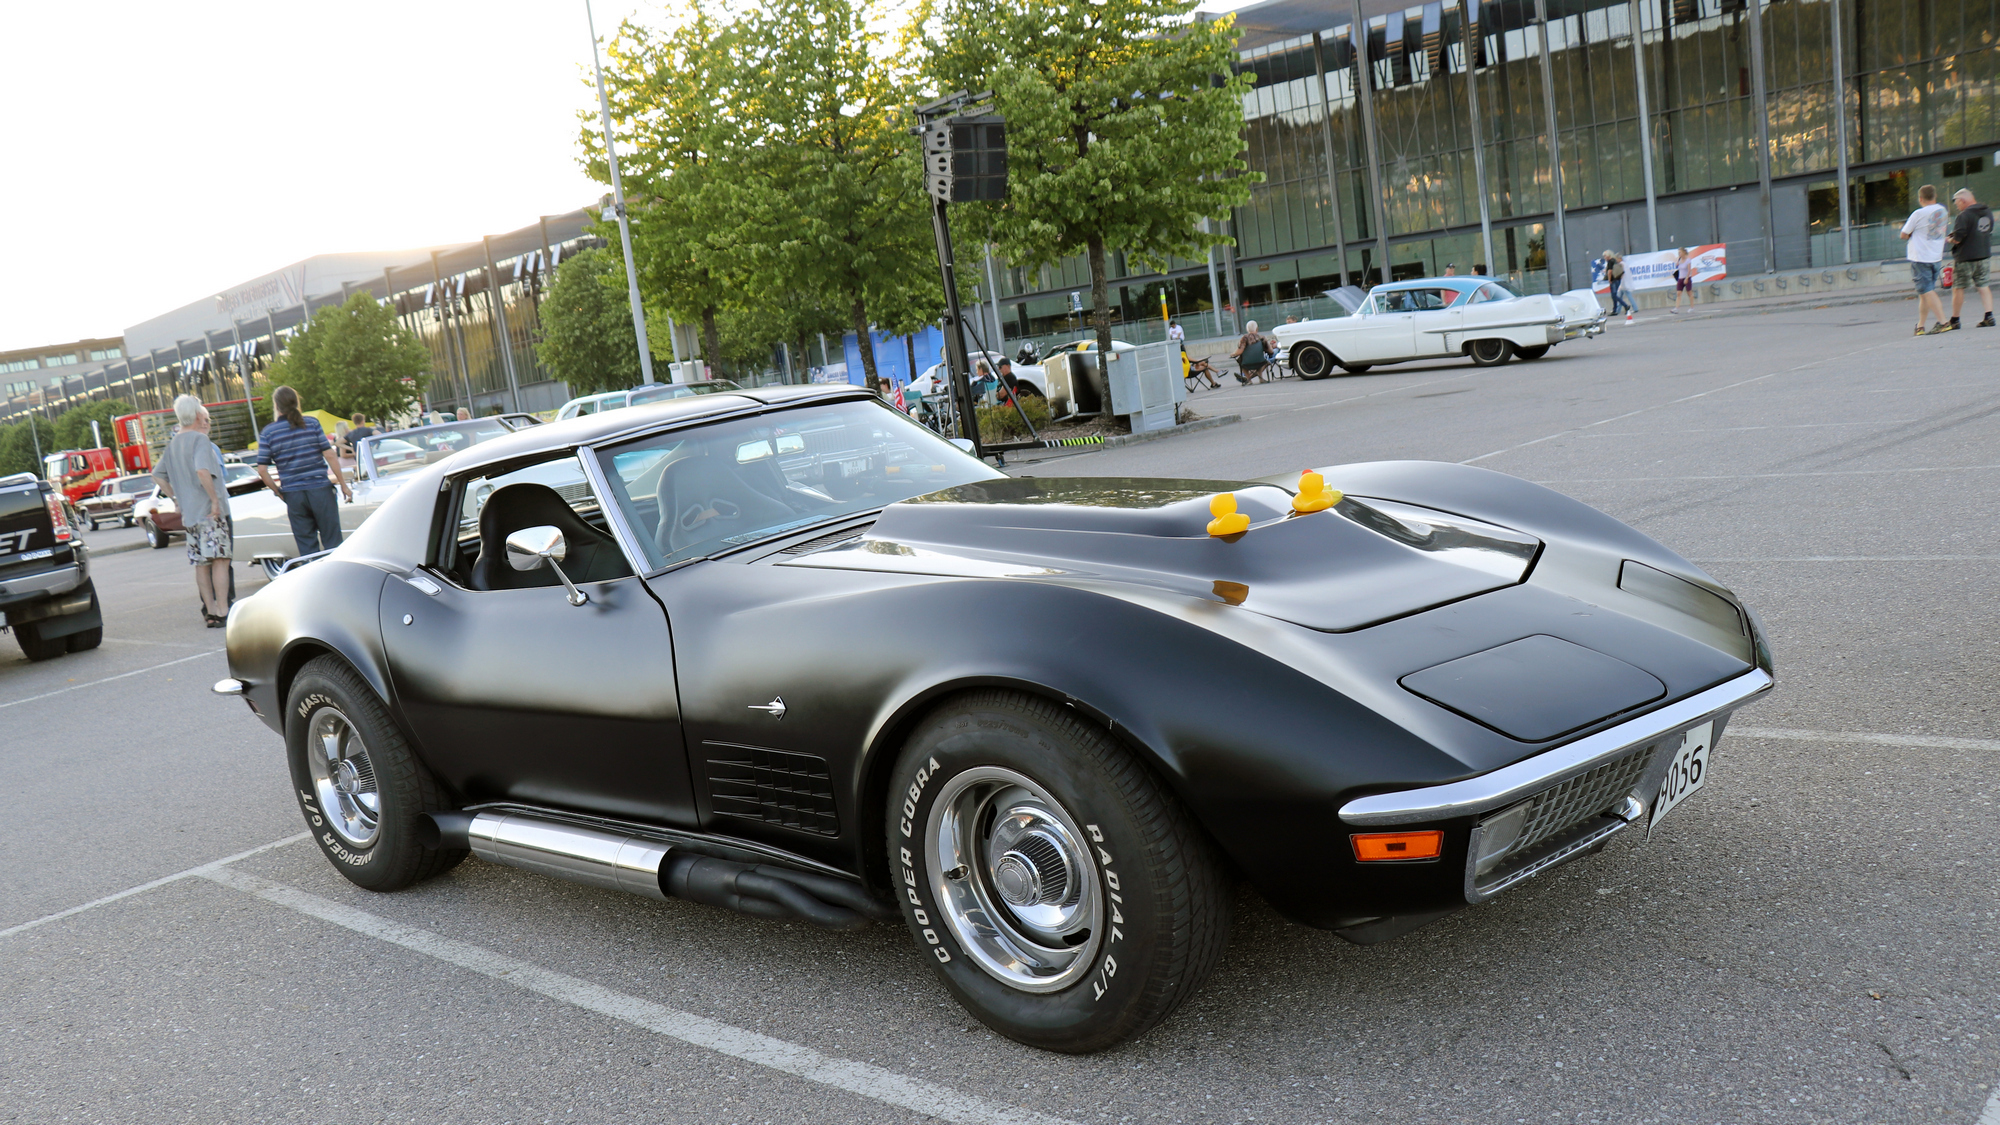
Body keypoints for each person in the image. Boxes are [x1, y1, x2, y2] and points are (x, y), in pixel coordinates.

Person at [152, 395, 232, 627]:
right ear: (197, 414)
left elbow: (157, 475)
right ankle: (222, 610)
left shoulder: (173, 444)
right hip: (209, 512)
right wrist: (214, 500)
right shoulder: (200, 439)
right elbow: (202, 471)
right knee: (220, 560)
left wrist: (175, 497)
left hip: (190, 514)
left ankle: (210, 611)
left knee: (201, 563)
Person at [255, 385, 352, 556]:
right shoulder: (312, 423)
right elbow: (330, 454)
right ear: (297, 402)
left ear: (276, 406)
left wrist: (278, 492)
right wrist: (343, 484)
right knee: (333, 543)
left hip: (293, 494)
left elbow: (262, 470)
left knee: (307, 548)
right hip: (320, 490)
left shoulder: (268, 433)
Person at [1899, 185, 1950, 335]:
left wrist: (1912, 234)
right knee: (1924, 293)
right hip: (1936, 256)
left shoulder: (1918, 213)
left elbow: (1904, 234)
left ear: (1920, 198)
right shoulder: (1943, 211)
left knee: (1927, 291)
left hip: (1921, 257)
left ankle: (1943, 322)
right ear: (1935, 196)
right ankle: (1920, 325)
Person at [1942, 187, 1994, 331]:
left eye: (1957, 203)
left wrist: (1949, 239)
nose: (1957, 206)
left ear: (1963, 200)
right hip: (1984, 254)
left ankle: (1955, 319)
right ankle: (1989, 316)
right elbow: (1988, 230)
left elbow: (1958, 238)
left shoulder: (1964, 215)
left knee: (1958, 287)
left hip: (1966, 257)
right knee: (1983, 285)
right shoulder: (1987, 212)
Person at [1602, 250, 1635, 323]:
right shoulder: (1615, 260)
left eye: (1605, 256)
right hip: (1618, 278)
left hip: (1613, 279)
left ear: (1608, 255)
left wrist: (1609, 279)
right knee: (1614, 295)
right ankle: (1615, 309)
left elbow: (1610, 271)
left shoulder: (1610, 261)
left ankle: (1625, 306)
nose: (1604, 257)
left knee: (1614, 295)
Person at [1671, 248, 1696, 315]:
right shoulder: (1679, 260)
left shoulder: (1688, 260)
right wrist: (1677, 263)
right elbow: (1677, 267)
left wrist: (1687, 278)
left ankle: (1692, 307)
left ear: (1684, 253)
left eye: (1680, 252)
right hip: (1680, 278)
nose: (1679, 254)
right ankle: (1677, 308)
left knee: (1689, 293)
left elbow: (1689, 270)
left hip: (1686, 278)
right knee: (1678, 293)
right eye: (1678, 253)